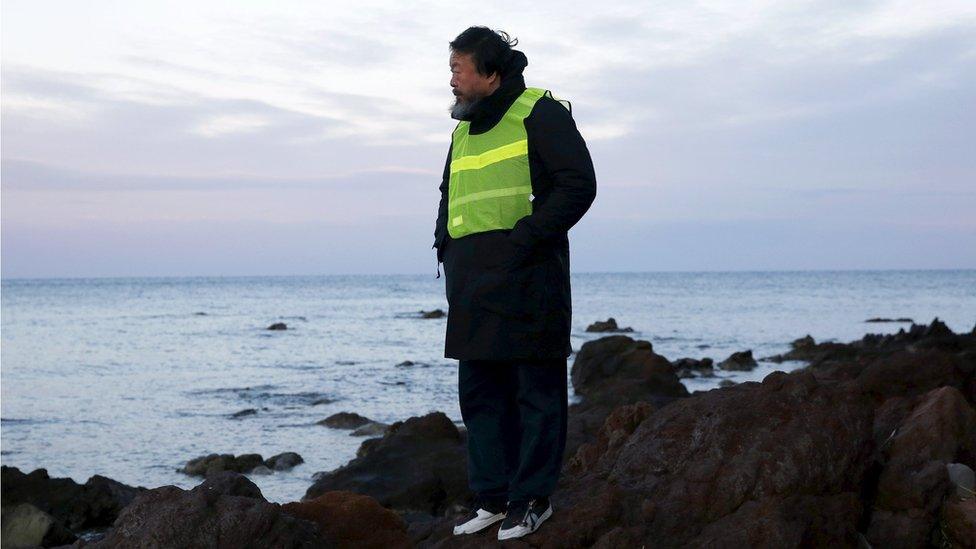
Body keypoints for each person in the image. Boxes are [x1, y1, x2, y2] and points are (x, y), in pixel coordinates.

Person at [431, 26, 597, 540]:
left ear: (491, 73)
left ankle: (531, 501)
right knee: (480, 396)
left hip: (530, 282)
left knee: (535, 394)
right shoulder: (461, 131)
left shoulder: (539, 113)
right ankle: (493, 498)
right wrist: (447, 244)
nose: (450, 80)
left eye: (458, 69)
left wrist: (526, 239)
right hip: (472, 287)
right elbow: (450, 193)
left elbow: (578, 185)